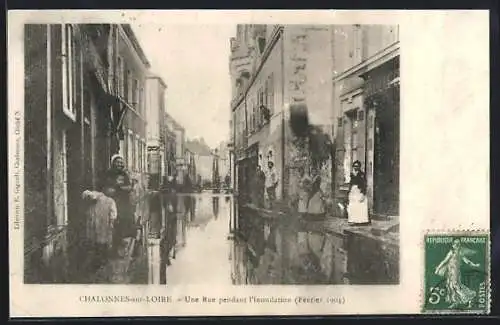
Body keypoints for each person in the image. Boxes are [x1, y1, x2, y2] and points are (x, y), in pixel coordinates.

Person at [434, 238, 480, 308]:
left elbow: (467, 261)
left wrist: (474, 265)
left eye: (458, 244)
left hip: (455, 272)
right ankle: (455, 302)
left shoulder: (460, 252)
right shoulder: (451, 252)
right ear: (453, 245)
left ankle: (470, 298)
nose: (457, 245)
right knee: (451, 287)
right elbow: (444, 261)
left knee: (456, 285)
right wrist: (438, 268)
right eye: (455, 244)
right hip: (450, 272)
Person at [105, 154, 136, 256]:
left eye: (121, 162)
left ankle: (119, 244)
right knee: (114, 224)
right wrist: (116, 188)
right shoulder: (109, 174)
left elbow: (129, 187)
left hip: (123, 203)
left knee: (123, 223)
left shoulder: (124, 174)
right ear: (113, 163)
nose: (119, 164)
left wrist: (121, 188)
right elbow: (108, 188)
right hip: (113, 202)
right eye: (117, 162)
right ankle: (114, 247)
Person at [82, 186, 117, 271]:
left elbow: (113, 215)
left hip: (99, 225)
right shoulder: (109, 201)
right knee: (102, 244)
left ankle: (99, 264)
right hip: (102, 226)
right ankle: (101, 264)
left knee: (99, 244)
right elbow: (113, 216)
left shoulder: (98, 199)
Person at [347, 160, 370, 225]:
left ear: (359, 167)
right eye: (354, 166)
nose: (355, 167)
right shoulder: (352, 174)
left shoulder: (362, 174)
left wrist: (363, 193)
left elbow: (364, 184)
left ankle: (361, 221)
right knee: (353, 205)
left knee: (360, 205)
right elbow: (351, 183)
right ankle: (353, 220)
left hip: (359, 191)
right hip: (353, 191)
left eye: (357, 166)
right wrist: (349, 191)